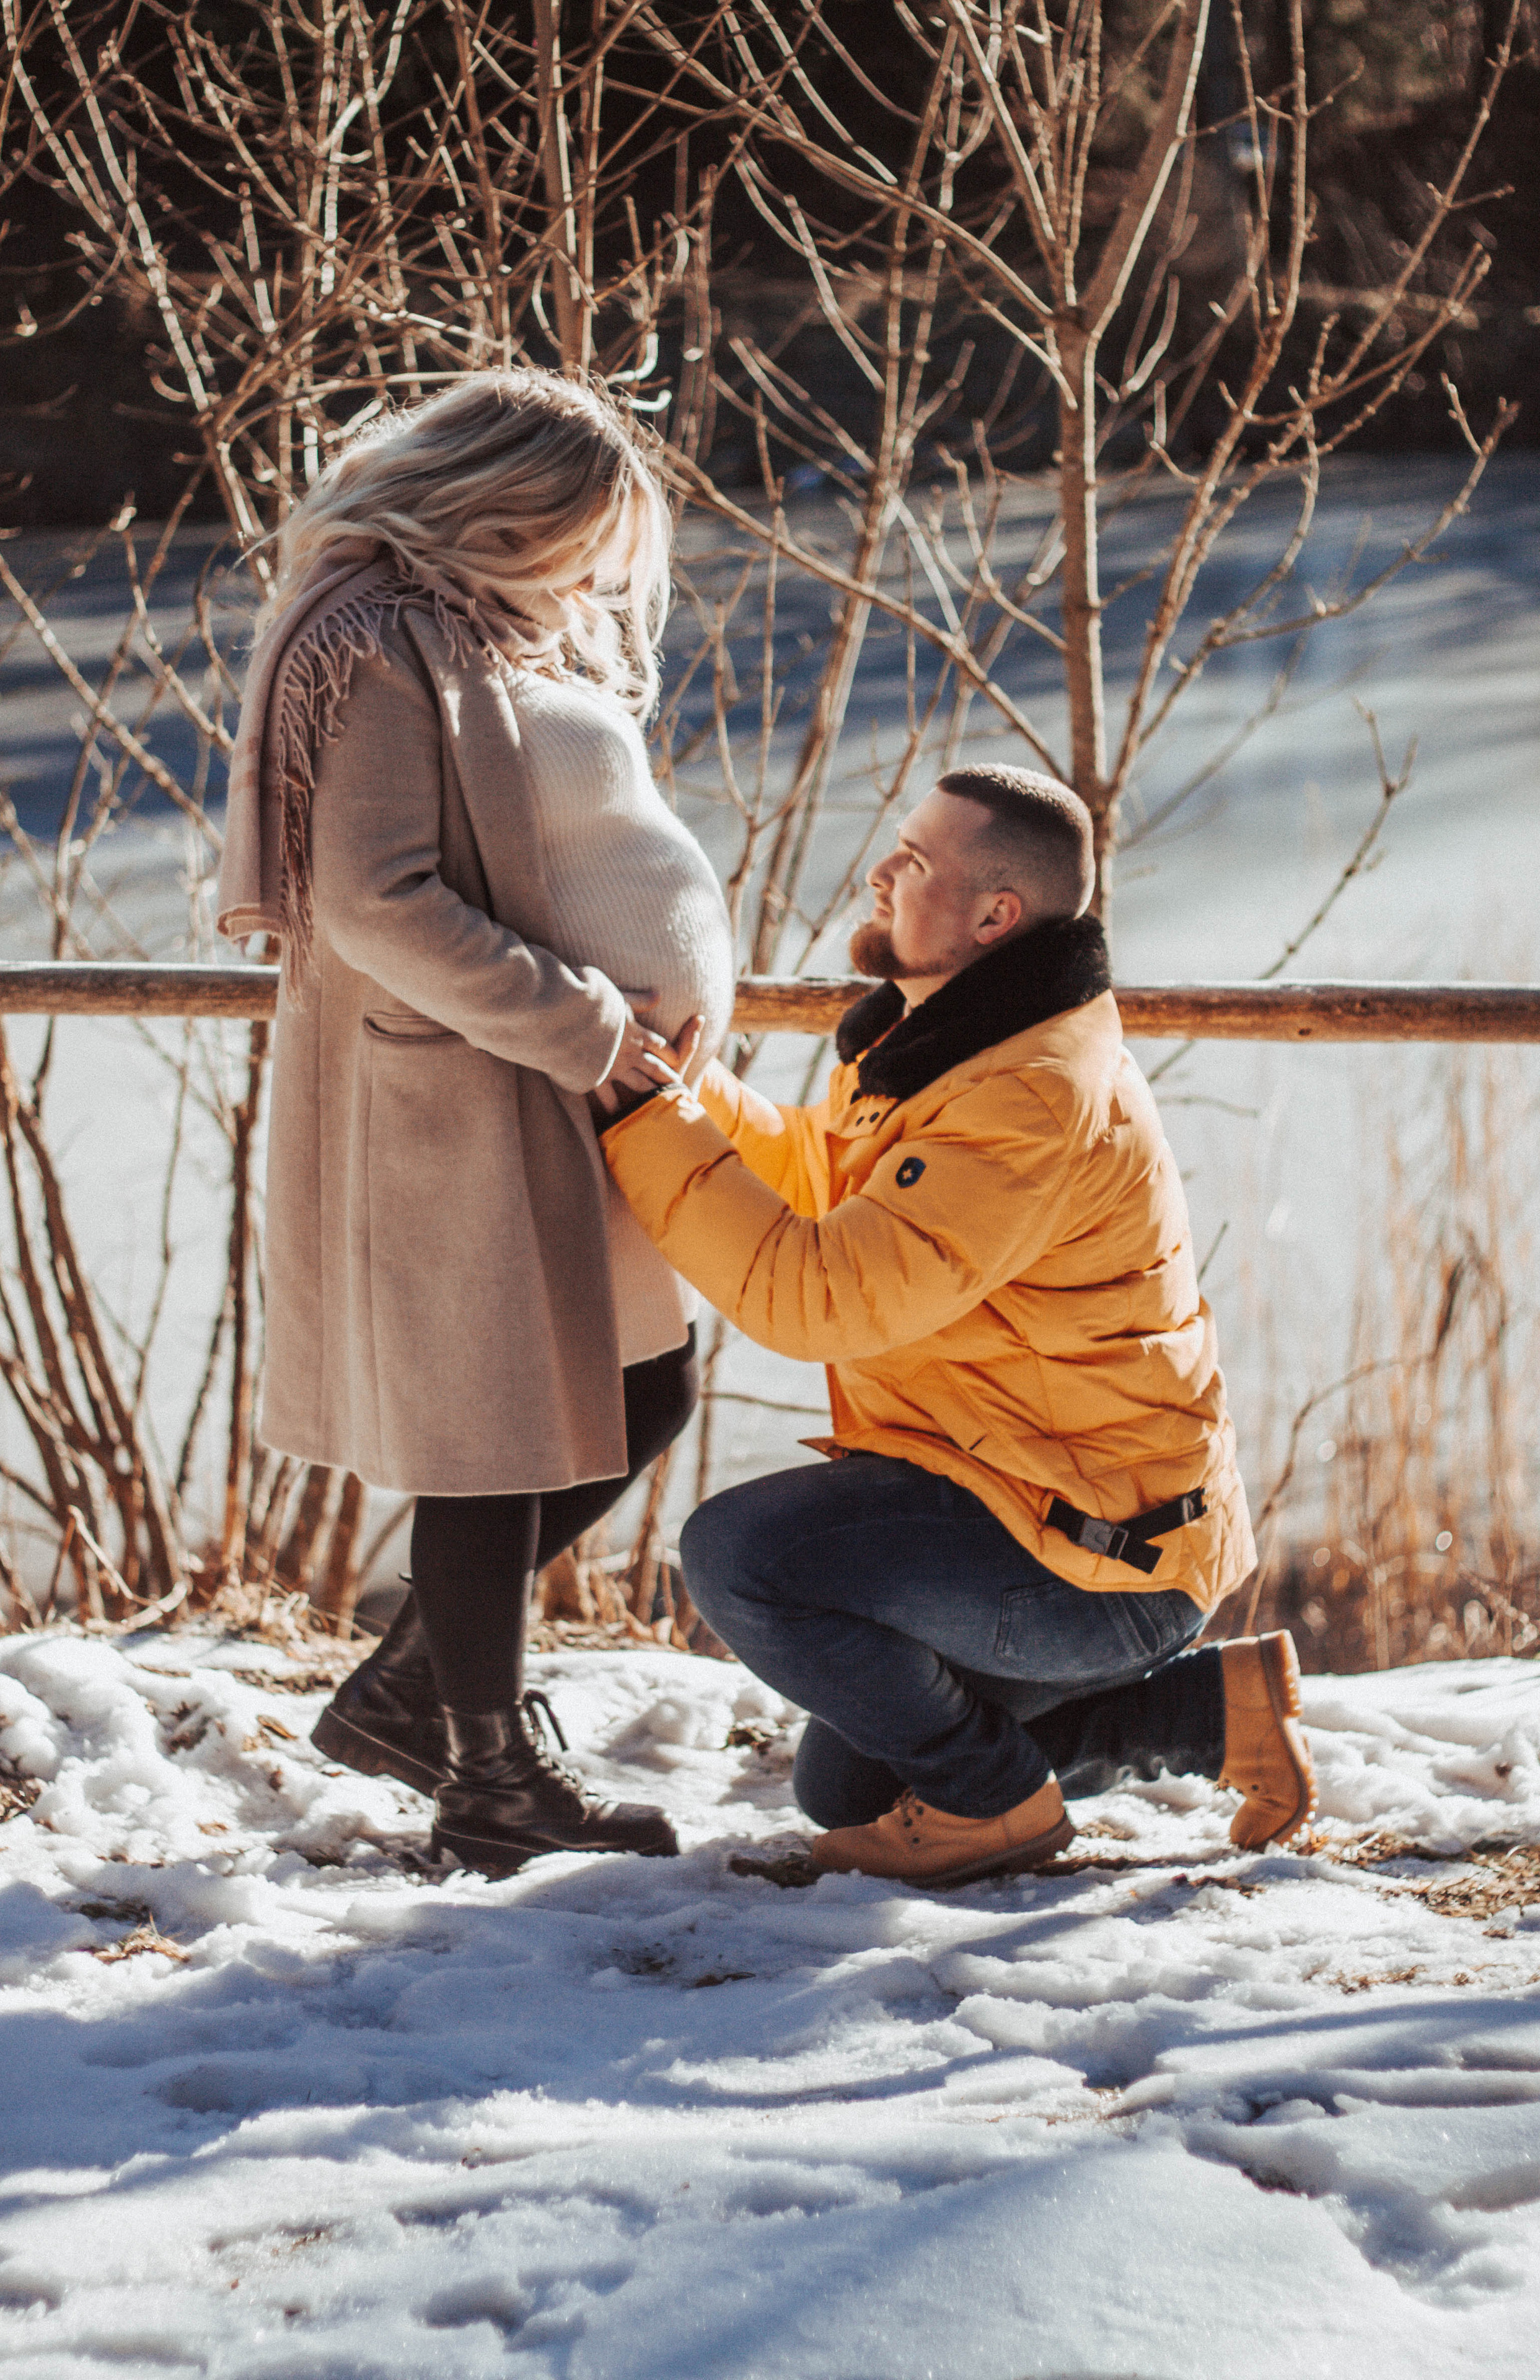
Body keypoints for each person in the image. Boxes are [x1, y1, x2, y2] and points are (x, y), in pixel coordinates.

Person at [599, 765, 1316, 1889]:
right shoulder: (954, 1041)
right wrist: (689, 1099)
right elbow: (832, 1185)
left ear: (997, 916)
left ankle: (999, 1812)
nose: (882, 870)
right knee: (848, 1793)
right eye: (899, 844)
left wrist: (643, 1126)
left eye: (917, 862)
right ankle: (1212, 1713)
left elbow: (821, 1291)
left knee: (739, 1557)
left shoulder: (1027, 1095)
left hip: (1100, 1553)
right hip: (1027, 1497)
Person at [217, 369, 736, 1876]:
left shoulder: (466, 626)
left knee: (643, 1389)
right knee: (494, 1441)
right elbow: (377, 903)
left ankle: (414, 1691)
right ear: (496, 508)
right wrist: (593, 1032)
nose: (587, 579)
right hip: (460, 1096)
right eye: (574, 540)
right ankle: (489, 1777)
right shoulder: (374, 645)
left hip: (564, 1093)